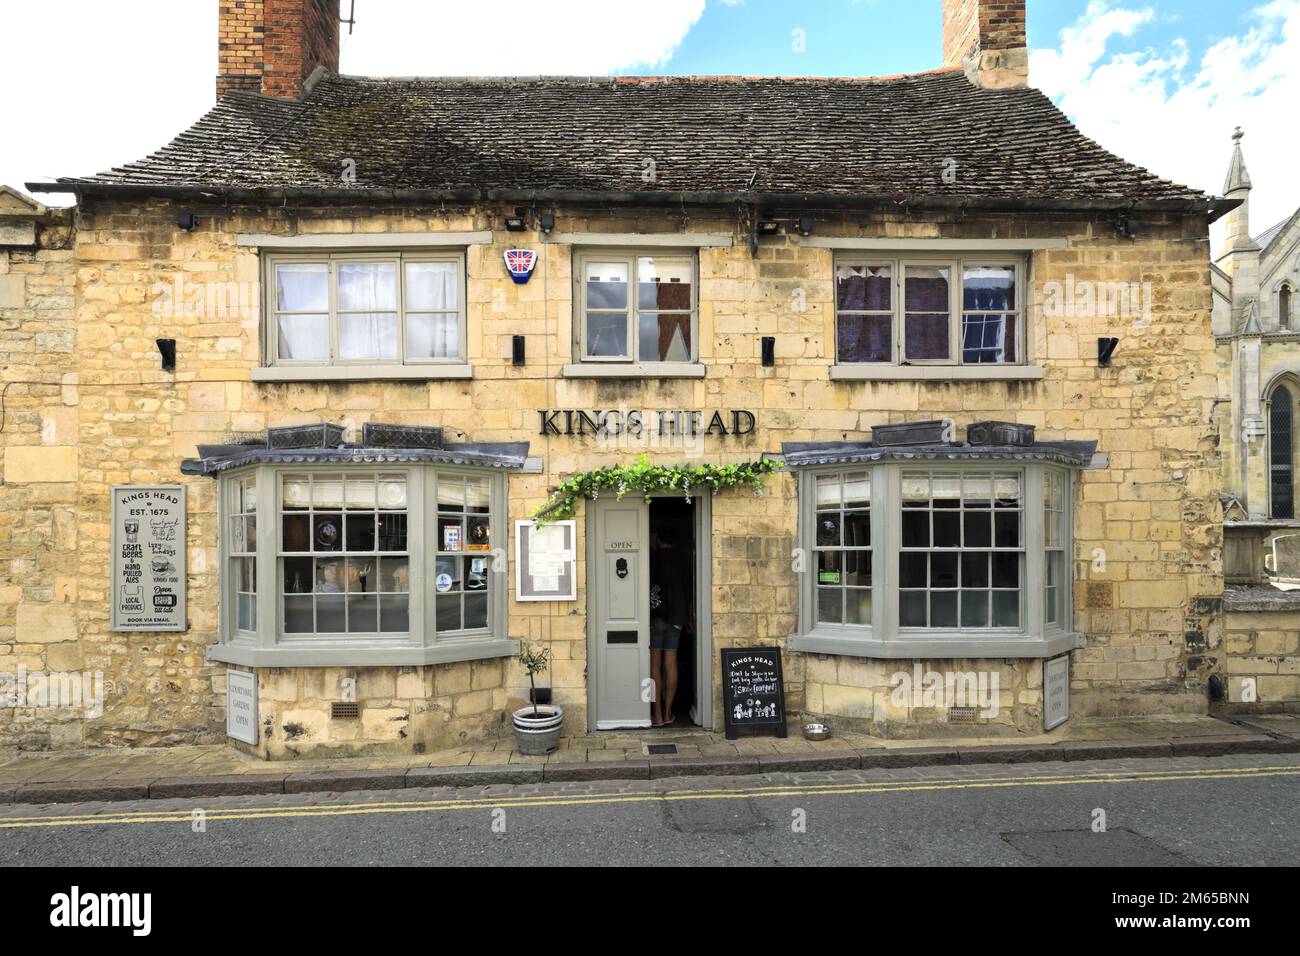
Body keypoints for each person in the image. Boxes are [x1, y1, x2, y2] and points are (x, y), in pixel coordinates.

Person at [649, 530, 690, 727]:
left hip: (657, 616)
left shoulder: (653, 559)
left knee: (654, 665)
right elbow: (689, 590)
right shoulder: (683, 560)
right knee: (670, 663)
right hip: (677, 616)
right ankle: (668, 712)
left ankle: (656, 716)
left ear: (658, 540)